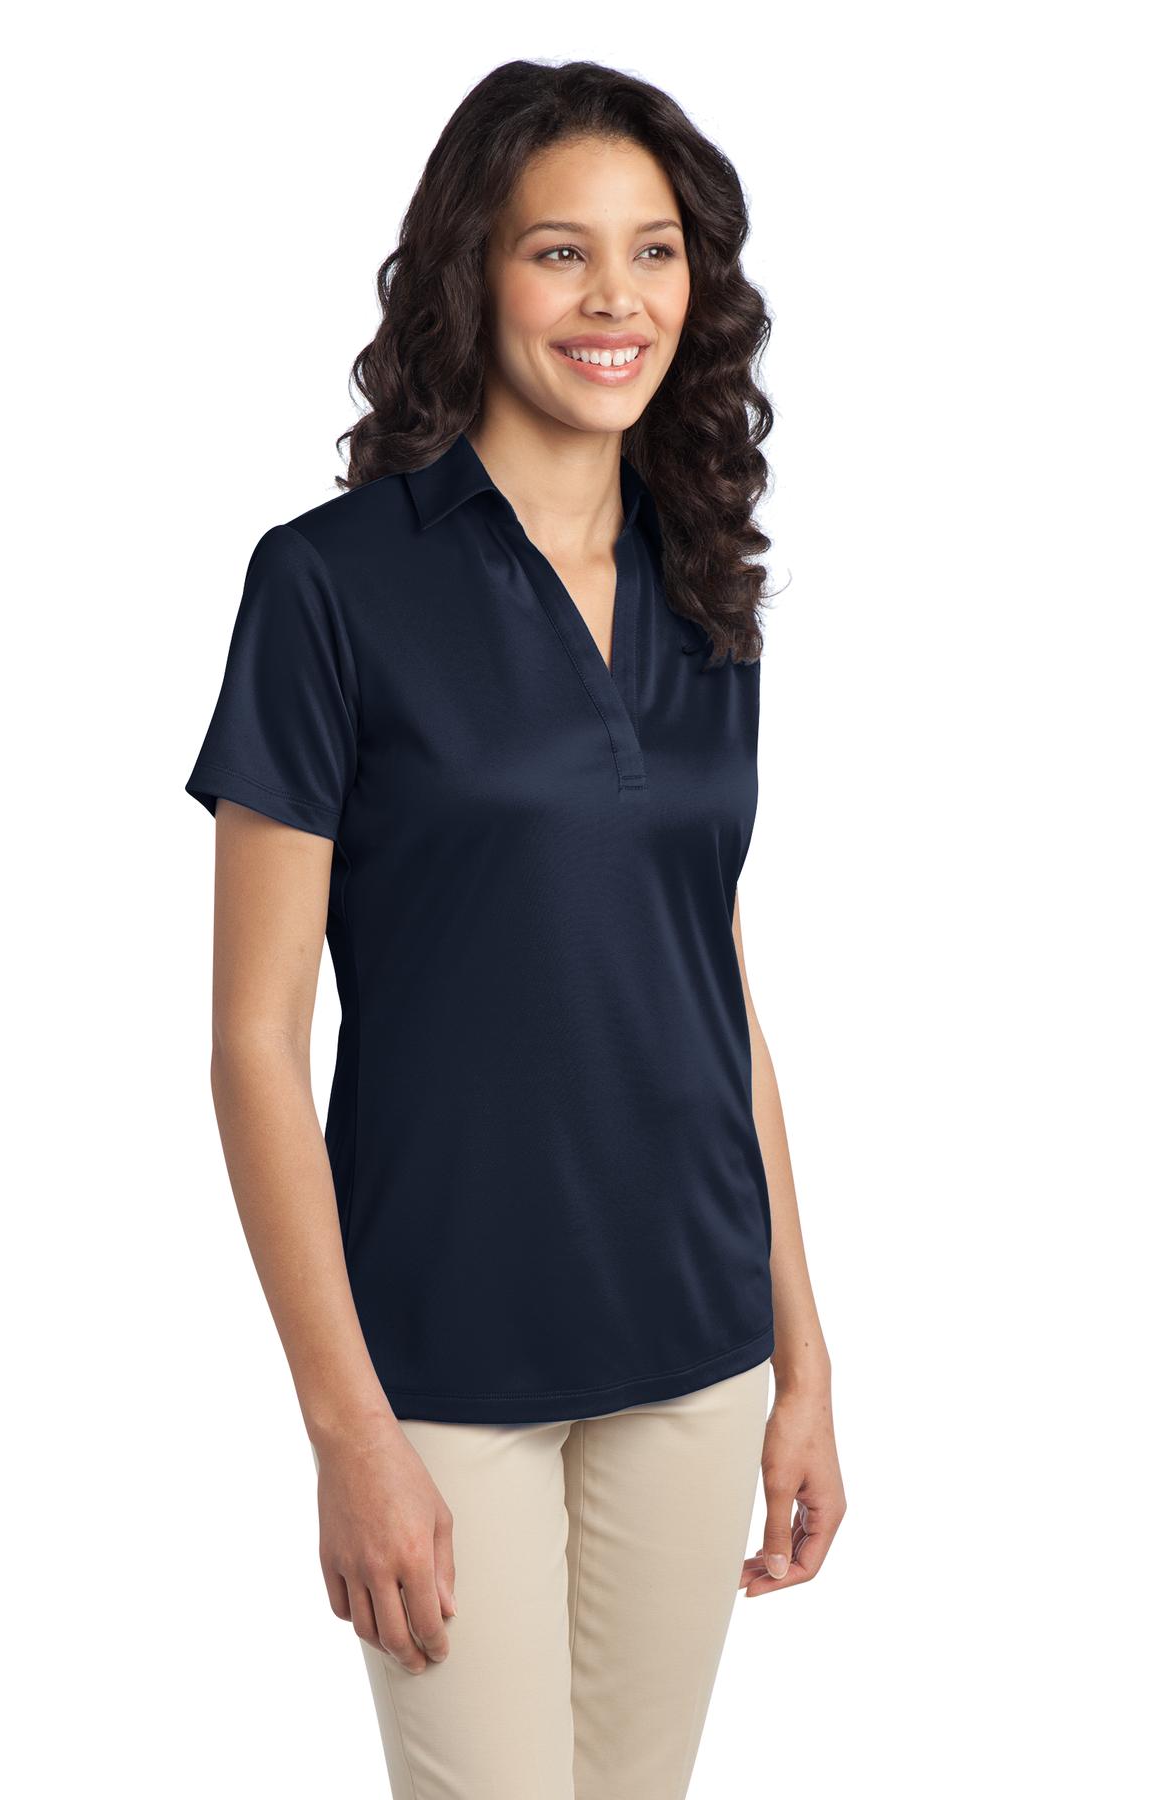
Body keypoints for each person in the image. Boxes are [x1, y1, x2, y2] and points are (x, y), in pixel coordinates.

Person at [185, 58, 845, 1800]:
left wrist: (804, 1356)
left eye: (653, 252)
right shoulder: (329, 585)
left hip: (695, 1346)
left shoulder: (708, 594)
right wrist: (348, 1430)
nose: (615, 299)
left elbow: (709, 984)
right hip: (444, 1360)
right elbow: (253, 1044)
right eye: (562, 251)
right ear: (473, 269)